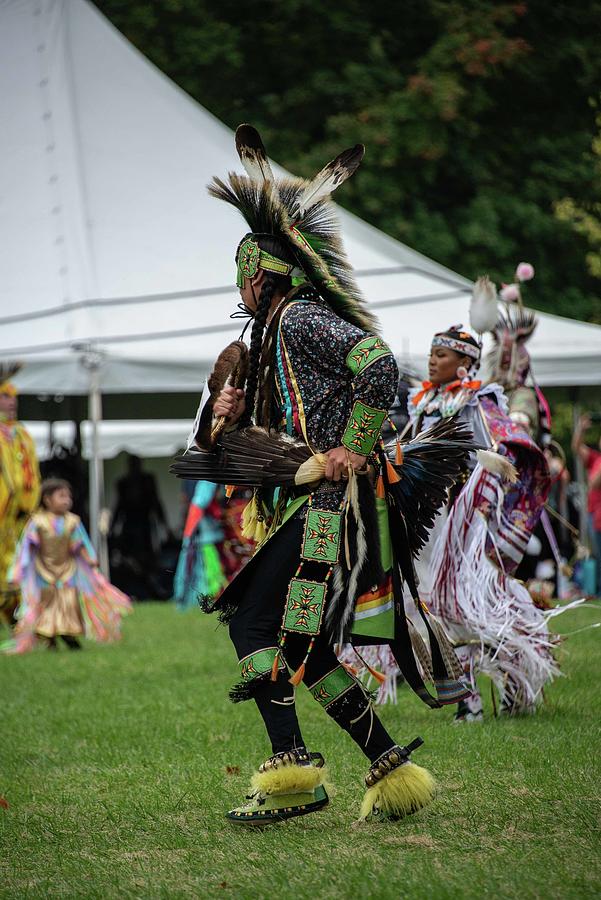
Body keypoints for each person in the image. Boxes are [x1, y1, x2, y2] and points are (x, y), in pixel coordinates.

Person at [177, 125, 470, 825]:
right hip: (327, 504)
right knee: (301, 642)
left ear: (255, 277)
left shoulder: (301, 318)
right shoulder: (272, 334)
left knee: (251, 617)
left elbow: (374, 362)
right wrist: (231, 410)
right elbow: (269, 432)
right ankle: (391, 770)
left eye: (241, 280)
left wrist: (351, 446)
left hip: (338, 501)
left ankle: (295, 776)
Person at [7, 479, 132, 653]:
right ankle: (50, 636)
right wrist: (18, 572)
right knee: (47, 603)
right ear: (47, 499)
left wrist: (90, 558)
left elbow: (80, 544)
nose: (67, 500)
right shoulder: (38, 522)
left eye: (68, 496)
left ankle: (68, 634)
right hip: (44, 571)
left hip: (67, 570)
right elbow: (26, 548)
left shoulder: (72, 521)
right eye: (61, 496)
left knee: (68, 602)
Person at [0, 364, 40, 628]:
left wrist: (31, 505)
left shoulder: (23, 435)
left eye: (14, 397)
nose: (11, 402)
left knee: (18, 566)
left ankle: (18, 622)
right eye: (4, 396)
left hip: (20, 516)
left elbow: (33, 474)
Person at [572, 414, 601, 596]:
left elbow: (594, 483)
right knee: (597, 555)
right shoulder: (595, 458)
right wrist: (581, 429)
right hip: (595, 516)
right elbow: (576, 448)